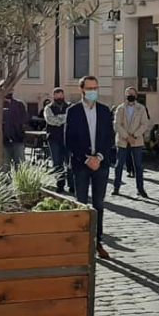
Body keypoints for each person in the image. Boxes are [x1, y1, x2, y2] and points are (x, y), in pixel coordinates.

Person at [65, 75, 114, 260]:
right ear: (82, 90)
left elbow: (109, 137)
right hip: (81, 164)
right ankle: (81, 243)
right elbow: (68, 140)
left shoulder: (104, 110)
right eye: (89, 88)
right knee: (82, 203)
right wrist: (86, 159)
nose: (93, 91)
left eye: (95, 88)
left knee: (99, 204)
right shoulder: (74, 111)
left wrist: (100, 156)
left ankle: (97, 242)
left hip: (101, 164)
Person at [112, 87, 150, 198]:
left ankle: (140, 188)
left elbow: (144, 124)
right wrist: (126, 136)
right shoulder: (120, 108)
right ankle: (116, 187)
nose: (130, 96)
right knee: (119, 165)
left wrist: (134, 135)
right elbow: (116, 124)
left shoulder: (141, 108)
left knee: (138, 165)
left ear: (136, 95)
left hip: (136, 140)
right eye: (128, 94)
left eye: (132, 94)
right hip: (122, 140)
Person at [43, 87, 71, 193]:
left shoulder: (69, 106)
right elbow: (50, 120)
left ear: (63, 95)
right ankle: (60, 185)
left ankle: (72, 185)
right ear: (53, 96)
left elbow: (71, 118)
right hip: (54, 139)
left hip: (68, 138)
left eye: (61, 95)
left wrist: (58, 118)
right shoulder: (48, 108)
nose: (59, 97)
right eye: (57, 95)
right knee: (57, 163)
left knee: (70, 162)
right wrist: (63, 119)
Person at [2, 91, 28, 168]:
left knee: (20, 165)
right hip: (3, 140)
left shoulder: (19, 104)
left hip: (18, 138)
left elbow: (24, 119)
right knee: (5, 166)